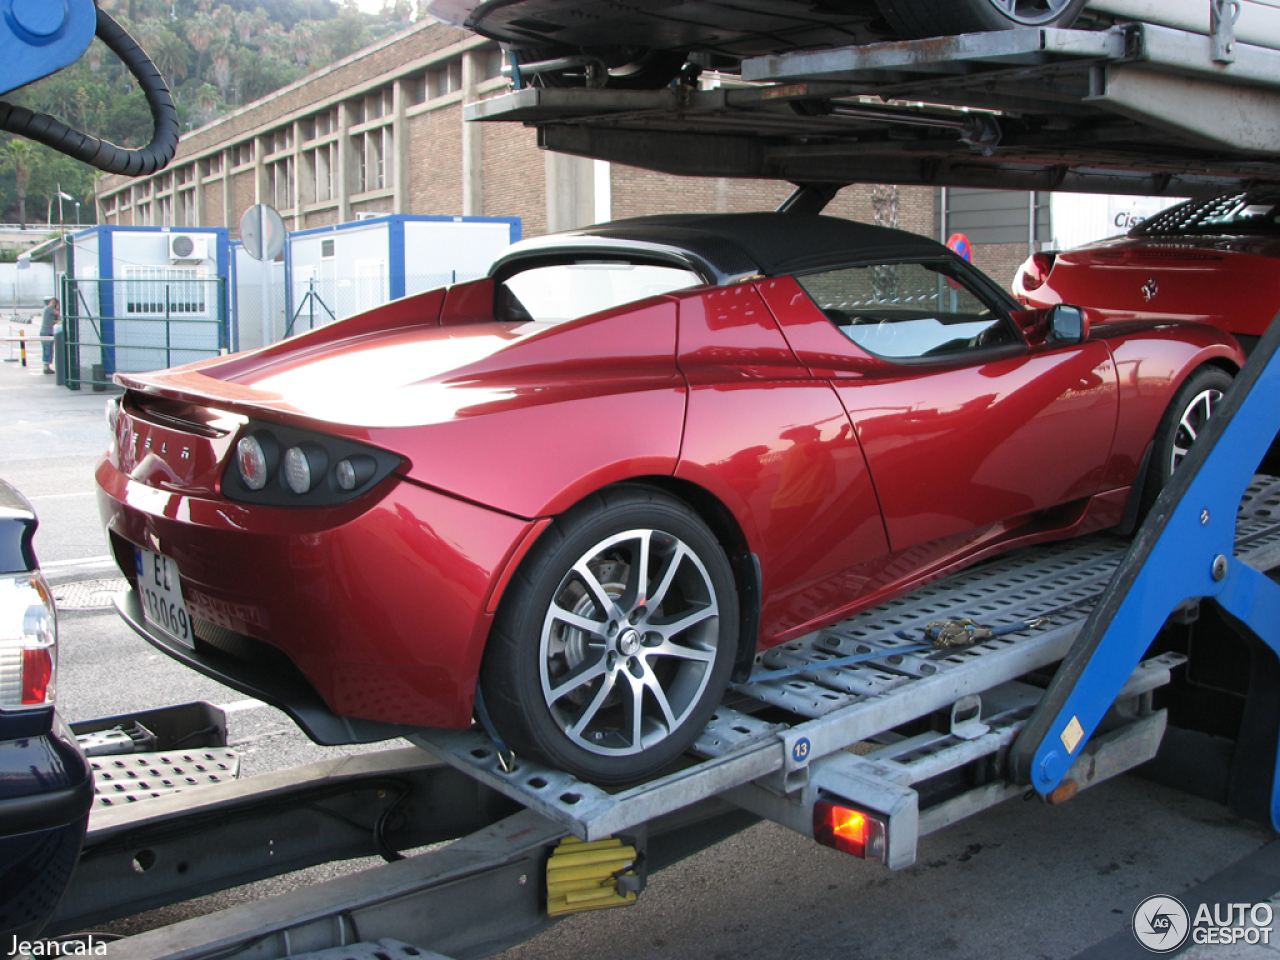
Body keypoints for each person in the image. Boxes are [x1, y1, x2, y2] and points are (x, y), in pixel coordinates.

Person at [39, 295, 58, 374]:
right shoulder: (49, 309)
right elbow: (58, 313)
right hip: (47, 332)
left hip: (48, 332)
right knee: (47, 349)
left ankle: (47, 366)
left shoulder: (48, 309)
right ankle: (46, 367)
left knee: (49, 349)